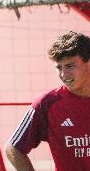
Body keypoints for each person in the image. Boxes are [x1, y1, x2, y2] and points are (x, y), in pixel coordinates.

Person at [6, 31, 90, 170]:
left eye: (69, 66)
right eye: (59, 67)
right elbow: (13, 148)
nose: (63, 74)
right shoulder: (47, 103)